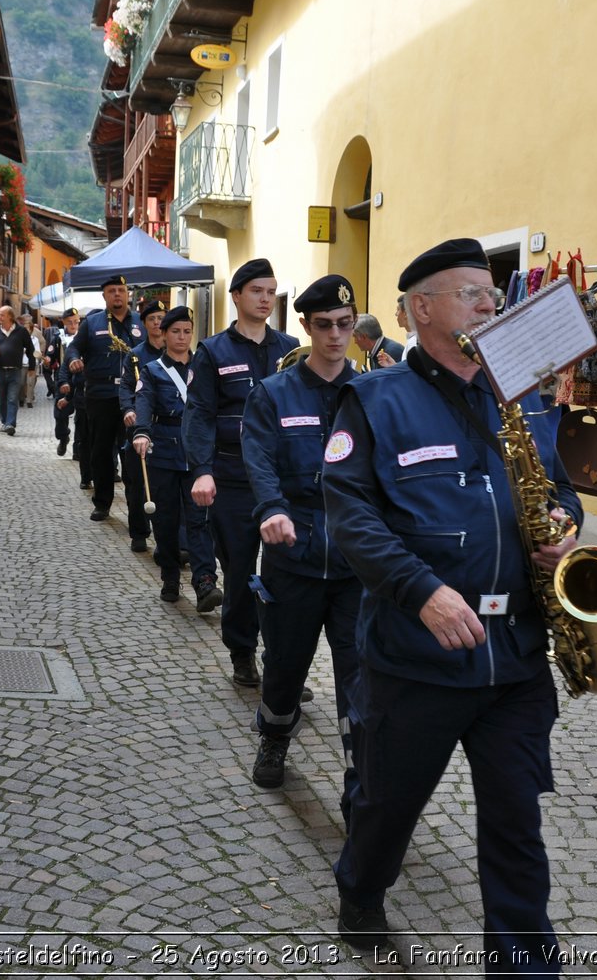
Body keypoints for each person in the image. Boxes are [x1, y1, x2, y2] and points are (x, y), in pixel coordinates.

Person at [324, 238, 578, 970]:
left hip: (516, 659)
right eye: (473, 293)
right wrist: (423, 592)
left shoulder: (516, 398)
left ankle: (524, 963)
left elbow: (556, 490)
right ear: (422, 308)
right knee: (387, 803)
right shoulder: (372, 400)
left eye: (491, 294)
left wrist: (563, 531)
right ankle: (360, 891)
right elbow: (353, 519)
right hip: (417, 657)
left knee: (515, 823)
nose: (490, 304)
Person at [241, 275, 363, 800]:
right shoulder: (274, 392)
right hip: (294, 553)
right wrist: (271, 509)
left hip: (359, 562)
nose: (336, 336)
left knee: (360, 674)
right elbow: (259, 458)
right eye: (324, 326)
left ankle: (363, 773)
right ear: (306, 327)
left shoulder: (372, 394)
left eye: (344, 324)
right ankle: (273, 736)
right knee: (286, 663)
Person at [184, 259, 298, 687]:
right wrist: (201, 471)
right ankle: (242, 652)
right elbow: (199, 414)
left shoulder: (289, 347)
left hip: (282, 479)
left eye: (271, 291)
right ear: (236, 296)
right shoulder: (214, 350)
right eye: (257, 291)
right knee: (239, 571)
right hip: (232, 478)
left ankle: (283, 661)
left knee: (286, 576)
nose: (266, 299)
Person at [133, 307, 220, 610]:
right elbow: (143, 401)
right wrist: (142, 432)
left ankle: (205, 581)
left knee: (200, 520)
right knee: (166, 521)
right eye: (175, 331)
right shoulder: (152, 370)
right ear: (165, 335)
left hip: (198, 455)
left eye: (187, 331)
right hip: (165, 453)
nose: (182, 337)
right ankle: (171, 575)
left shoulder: (204, 367)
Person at [69, 276, 142, 523]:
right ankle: (102, 503)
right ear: (104, 296)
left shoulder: (141, 323)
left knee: (131, 452)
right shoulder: (92, 323)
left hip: (132, 398)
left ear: (128, 293)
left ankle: (137, 507)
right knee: (100, 451)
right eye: (112, 291)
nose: (117, 294)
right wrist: (73, 359)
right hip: (101, 396)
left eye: (122, 290)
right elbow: (74, 348)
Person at [119, 300, 167, 554]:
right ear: (145, 324)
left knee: (165, 486)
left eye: (161, 317)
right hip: (139, 427)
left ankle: (169, 538)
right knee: (136, 483)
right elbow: (126, 386)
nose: (157, 322)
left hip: (168, 428)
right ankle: (139, 532)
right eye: (152, 319)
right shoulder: (135, 355)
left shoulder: (177, 352)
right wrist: (128, 409)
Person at [0, 305, 33, 437]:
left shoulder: (21, 331)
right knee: (1, 400)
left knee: (12, 398)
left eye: (1, 315)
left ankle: (10, 424)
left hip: (15, 371)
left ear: (10, 316)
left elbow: (30, 349)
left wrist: (31, 367)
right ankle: (4, 422)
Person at [50, 309, 81, 458]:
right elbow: (51, 356)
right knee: (60, 414)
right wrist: (48, 361)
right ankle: (63, 437)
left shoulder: (84, 337)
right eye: (70, 322)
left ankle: (78, 449)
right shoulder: (58, 338)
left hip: (81, 381)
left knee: (81, 417)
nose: (74, 325)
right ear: (63, 322)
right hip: (63, 381)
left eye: (76, 321)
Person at [20, 312, 41, 409]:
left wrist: (30, 352)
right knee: (21, 383)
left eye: (28, 328)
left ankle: (29, 400)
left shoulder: (34, 339)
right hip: (21, 363)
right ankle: (21, 398)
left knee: (30, 383)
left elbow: (37, 352)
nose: (26, 330)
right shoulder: (19, 339)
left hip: (31, 364)